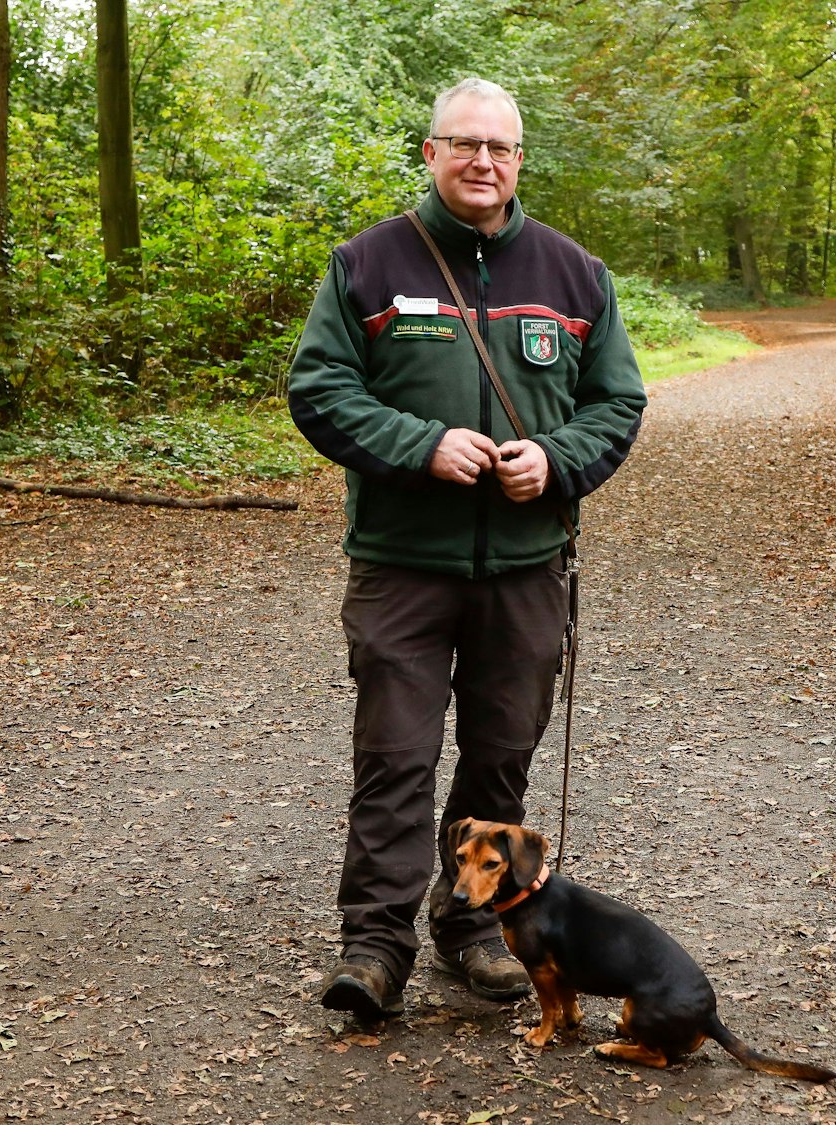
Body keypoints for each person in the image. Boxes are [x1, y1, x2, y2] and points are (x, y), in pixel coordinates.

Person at [288, 78, 647, 1019]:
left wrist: (556, 460)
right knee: (395, 759)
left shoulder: (575, 274)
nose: (482, 161)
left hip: (526, 571)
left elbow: (618, 402)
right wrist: (423, 444)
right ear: (430, 153)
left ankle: (473, 931)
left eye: (500, 147)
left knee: (498, 762)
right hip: (403, 564)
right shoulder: (365, 265)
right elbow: (320, 389)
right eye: (463, 144)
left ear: (519, 160)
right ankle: (374, 949)